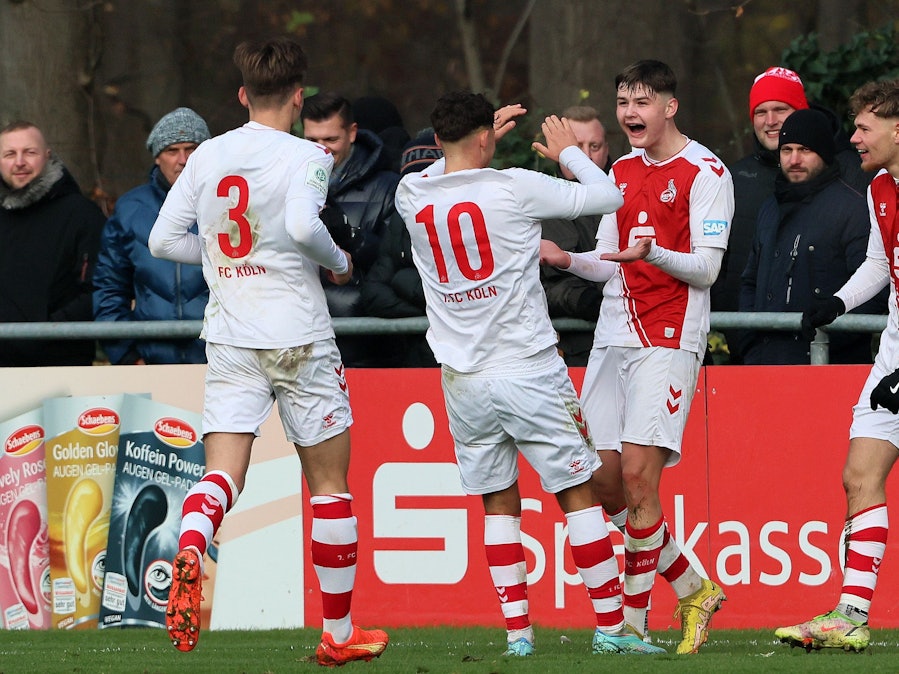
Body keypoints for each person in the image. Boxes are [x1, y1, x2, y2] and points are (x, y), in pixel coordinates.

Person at [395, 90, 665, 657]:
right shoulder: (513, 186)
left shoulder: (410, 192)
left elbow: (452, 164)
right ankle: (613, 630)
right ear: (487, 137)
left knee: (497, 500)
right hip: (527, 367)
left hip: (462, 378)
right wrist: (569, 153)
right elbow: (608, 195)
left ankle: (519, 635)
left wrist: (475, 136)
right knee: (576, 493)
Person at [148, 37, 388, 666]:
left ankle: (194, 544)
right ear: (299, 96)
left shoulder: (207, 157)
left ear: (241, 96)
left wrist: (226, 260)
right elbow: (309, 229)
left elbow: (161, 238)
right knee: (330, 485)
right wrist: (337, 264)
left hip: (229, 332)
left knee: (222, 473)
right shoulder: (307, 155)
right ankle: (338, 636)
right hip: (298, 335)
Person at [540, 59, 732, 654]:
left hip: (669, 339)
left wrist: (653, 255)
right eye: (623, 101)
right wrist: (567, 260)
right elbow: (608, 259)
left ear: (669, 107)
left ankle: (630, 625)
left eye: (642, 102)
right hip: (613, 334)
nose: (630, 113)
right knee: (600, 482)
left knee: (638, 478)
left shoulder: (707, 171)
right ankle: (695, 586)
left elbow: (707, 268)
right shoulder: (619, 170)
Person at [777, 78, 899, 653]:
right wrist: (836, 303)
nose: (853, 138)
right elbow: (880, 263)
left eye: (865, 126)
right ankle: (850, 616)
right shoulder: (879, 188)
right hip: (895, 349)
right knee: (859, 475)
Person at [713, 66, 870, 362]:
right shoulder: (734, 180)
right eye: (761, 112)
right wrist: (746, 340)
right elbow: (737, 276)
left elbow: (871, 276)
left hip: (830, 358)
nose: (770, 121)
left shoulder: (855, 181)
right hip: (757, 355)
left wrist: (826, 339)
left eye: (780, 109)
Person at [739, 108, 883, 364]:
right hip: (764, 366)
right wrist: (751, 345)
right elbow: (750, 282)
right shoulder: (769, 208)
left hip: (830, 368)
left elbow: (873, 291)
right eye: (787, 150)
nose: (794, 159)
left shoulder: (852, 209)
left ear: (825, 154)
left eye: (805, 150)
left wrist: (825, 336)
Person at [93, 107, 211, 365]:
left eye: (191, 148)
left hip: (221, 364)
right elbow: (110, 287)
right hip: (150, 363)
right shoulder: (130, 209)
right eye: (172, 150)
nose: (183, 159)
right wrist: (126, 355)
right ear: (158, 157)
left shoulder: (229, 202)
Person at [301, 92, 402, 367]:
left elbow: (395, 260)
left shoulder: (389, 187)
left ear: (353, 133)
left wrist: (350, 235)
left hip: (365, 342)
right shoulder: (287, 183)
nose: (321, 149)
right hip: (299, 337)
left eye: (331, 140)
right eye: (312, 140)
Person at [0, 121, 105, 367]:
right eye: (10, 154)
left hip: (61, 365)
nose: (20, 162)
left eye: (30, 152)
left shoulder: (82, 215)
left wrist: (49, 330)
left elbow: (100, 287)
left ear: (47, 156)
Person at [360, 129, 442, 367]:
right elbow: (373, 293)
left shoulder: (466, 221)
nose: (416, 195)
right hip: (416, 357)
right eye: (409, 186)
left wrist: (402, 282)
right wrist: (431, 312)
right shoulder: (401, 220)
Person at [539, 105, 611, 366]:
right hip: (577, 348)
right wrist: (579, 299)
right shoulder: (540, 204)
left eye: (595, 146)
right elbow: (533, 286)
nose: (587, 156)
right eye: (577, 146)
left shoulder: (629, 193)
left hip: (631, 336)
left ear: (607, 148)